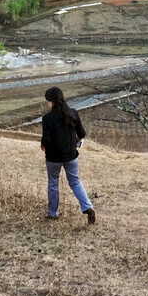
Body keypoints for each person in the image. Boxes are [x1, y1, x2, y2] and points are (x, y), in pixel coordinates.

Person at [40, 87, 95, 224]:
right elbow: (82, 134)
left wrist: (43, 145)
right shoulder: (73, 113)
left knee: (53, 183)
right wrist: (74, 141)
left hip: (53, 158)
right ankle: (88, 207)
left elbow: (46, 140)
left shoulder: (47, 118)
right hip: (71, 155)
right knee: (75, 182)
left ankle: (53, 213)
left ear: (51, 101)